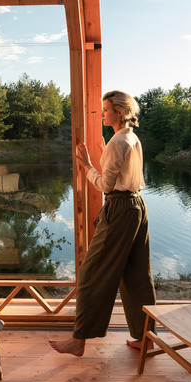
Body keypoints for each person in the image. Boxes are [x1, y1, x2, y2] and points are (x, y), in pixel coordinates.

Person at [49, 90, 156, 357]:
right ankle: (146, 338)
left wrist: (86, 165)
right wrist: (102, 153)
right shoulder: (131, 138)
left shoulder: (118, 143)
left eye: (106, 109)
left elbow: (106, 185)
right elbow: (120, 174)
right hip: (137, 207)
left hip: (120, 209)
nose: (103, 113)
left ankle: (79, 340)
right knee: (137, 275)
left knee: (90, 273)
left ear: (119, 112)